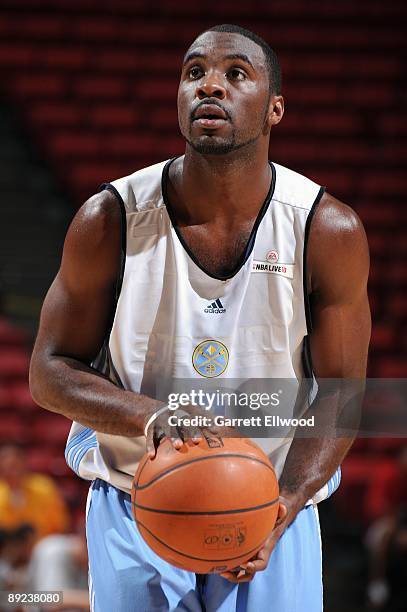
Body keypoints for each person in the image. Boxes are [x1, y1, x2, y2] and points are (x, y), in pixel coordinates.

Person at [29, 23, 371, 612]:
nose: (210, 86)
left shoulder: (325, 229)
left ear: (275, 110)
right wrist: (153, 416)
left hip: (269, 504)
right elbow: (49, 371)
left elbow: (343, 393)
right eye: (194, 73)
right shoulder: (109, 218)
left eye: (236, 74)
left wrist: (284, 503)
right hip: (137, 495)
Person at [0, 443, 69, 541]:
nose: (10, 463)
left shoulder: (44, 486)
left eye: (15, 461)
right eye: (5, 460)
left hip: (42, 544)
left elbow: (60, 524)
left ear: (24, 462)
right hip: (7, 547)